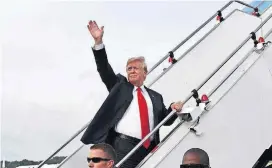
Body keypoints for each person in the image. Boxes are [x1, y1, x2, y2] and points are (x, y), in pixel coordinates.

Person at [81, 20, 184, 168]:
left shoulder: (155, 97)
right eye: (129, 69)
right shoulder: (120, 87)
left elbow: (164, 120)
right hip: (123, 147)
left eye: (136, 68)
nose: (132, 71)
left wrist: (173, 109)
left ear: (145, 72)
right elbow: (104, 69)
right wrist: (98, 43)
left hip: (150, 148)